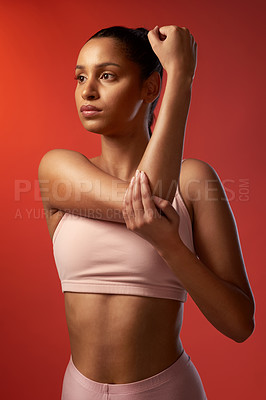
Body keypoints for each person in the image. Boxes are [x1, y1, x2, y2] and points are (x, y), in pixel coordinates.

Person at [38, 25, 255, 400]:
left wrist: (171, 246)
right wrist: (182, 78)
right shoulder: (59, 169)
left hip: (167, 391)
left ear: (151, 88)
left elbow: (239, 324)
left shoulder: (195, 181)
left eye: (107, 75)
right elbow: (148, 200)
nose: (87, 90)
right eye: (80, 77)